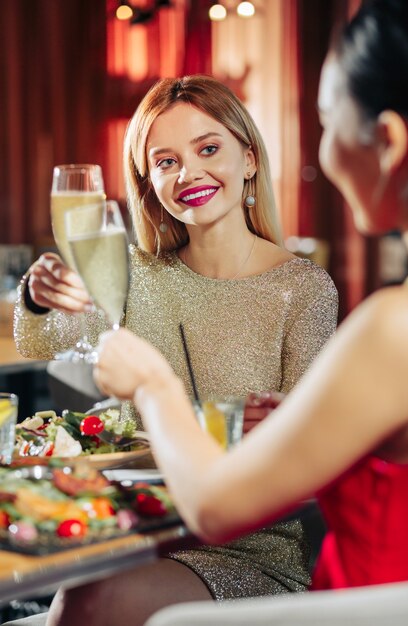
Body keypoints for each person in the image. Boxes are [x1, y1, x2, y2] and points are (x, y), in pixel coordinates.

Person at [90, 0, 408, 602]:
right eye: (166, 160)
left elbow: (217, 509)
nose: (323, 155)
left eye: (326, 123)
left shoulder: (396, 326)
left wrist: (152, 386)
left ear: (390, 142)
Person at [12, 76, 338, 624]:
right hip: (131, 530)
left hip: (246, 549)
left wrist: (278, 425)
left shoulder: (302, 288)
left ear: (250, 159)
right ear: (148, 182)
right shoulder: (135, 273)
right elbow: (45, 339)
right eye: (164, 162)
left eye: (208, 149)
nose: (188, 174)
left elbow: (309, 453)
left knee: (88, 601)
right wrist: (41, 295)